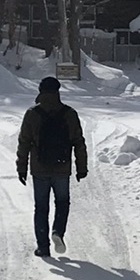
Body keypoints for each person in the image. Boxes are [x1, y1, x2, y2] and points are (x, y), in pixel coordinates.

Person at [16, 76, 88, 259]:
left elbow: (24, 143)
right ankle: (58, 232)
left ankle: (43, 247)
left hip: (39, 168)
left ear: (40, 91)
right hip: (62, 167)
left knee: (41, 207)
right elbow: (79, 142)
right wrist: (81, 167)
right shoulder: (69, 113)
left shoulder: (32, 114)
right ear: (58, 92)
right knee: (62, 203)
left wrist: (21, 167)